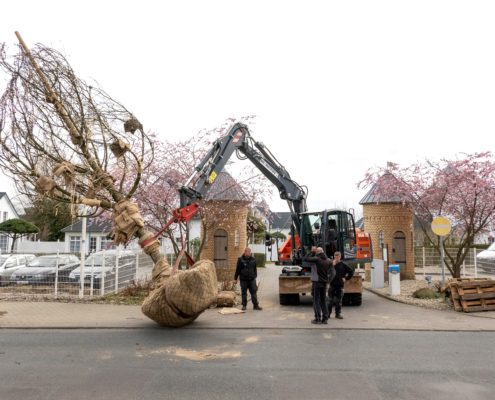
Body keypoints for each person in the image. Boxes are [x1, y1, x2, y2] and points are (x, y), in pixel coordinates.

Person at [304, 246, 334, 324]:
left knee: (316, 301)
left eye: (316, 252)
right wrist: (328, 280)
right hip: (324, 283)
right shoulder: (329, 261)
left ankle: (318, 319)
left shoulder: (317, 259)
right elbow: (333, 273)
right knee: (323, 301)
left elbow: (306, 259)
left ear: (317, 252)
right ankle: (325, 319)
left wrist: (311, 251)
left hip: (317, 282)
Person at [328, 251, 354, 319]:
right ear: (334, 257)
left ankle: (338, 314)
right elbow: (326, 272)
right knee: (329, 300)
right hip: (332, 285)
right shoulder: (331, 264)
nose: (336, 258)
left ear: (340, 257)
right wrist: (332, 265)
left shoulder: (343, 265)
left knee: (338, 301)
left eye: (338, 256)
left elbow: (351, 271)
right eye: (335, 256)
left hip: (340, 285)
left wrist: (346, 278)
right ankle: (328, 314)